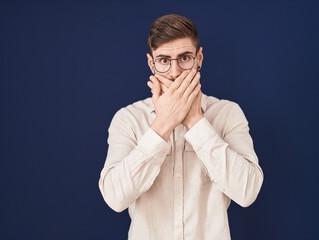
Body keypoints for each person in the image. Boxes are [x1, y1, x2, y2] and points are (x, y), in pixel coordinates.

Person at [99, 14, 263, 240]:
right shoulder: (128, 119)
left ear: (199, 59)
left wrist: (195, 121)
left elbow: (247, 192)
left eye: (185, 58)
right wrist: (164, 123)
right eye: (164, 61)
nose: (175, 73)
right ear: (151, 63)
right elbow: (115, 198)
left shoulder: (228, 113)